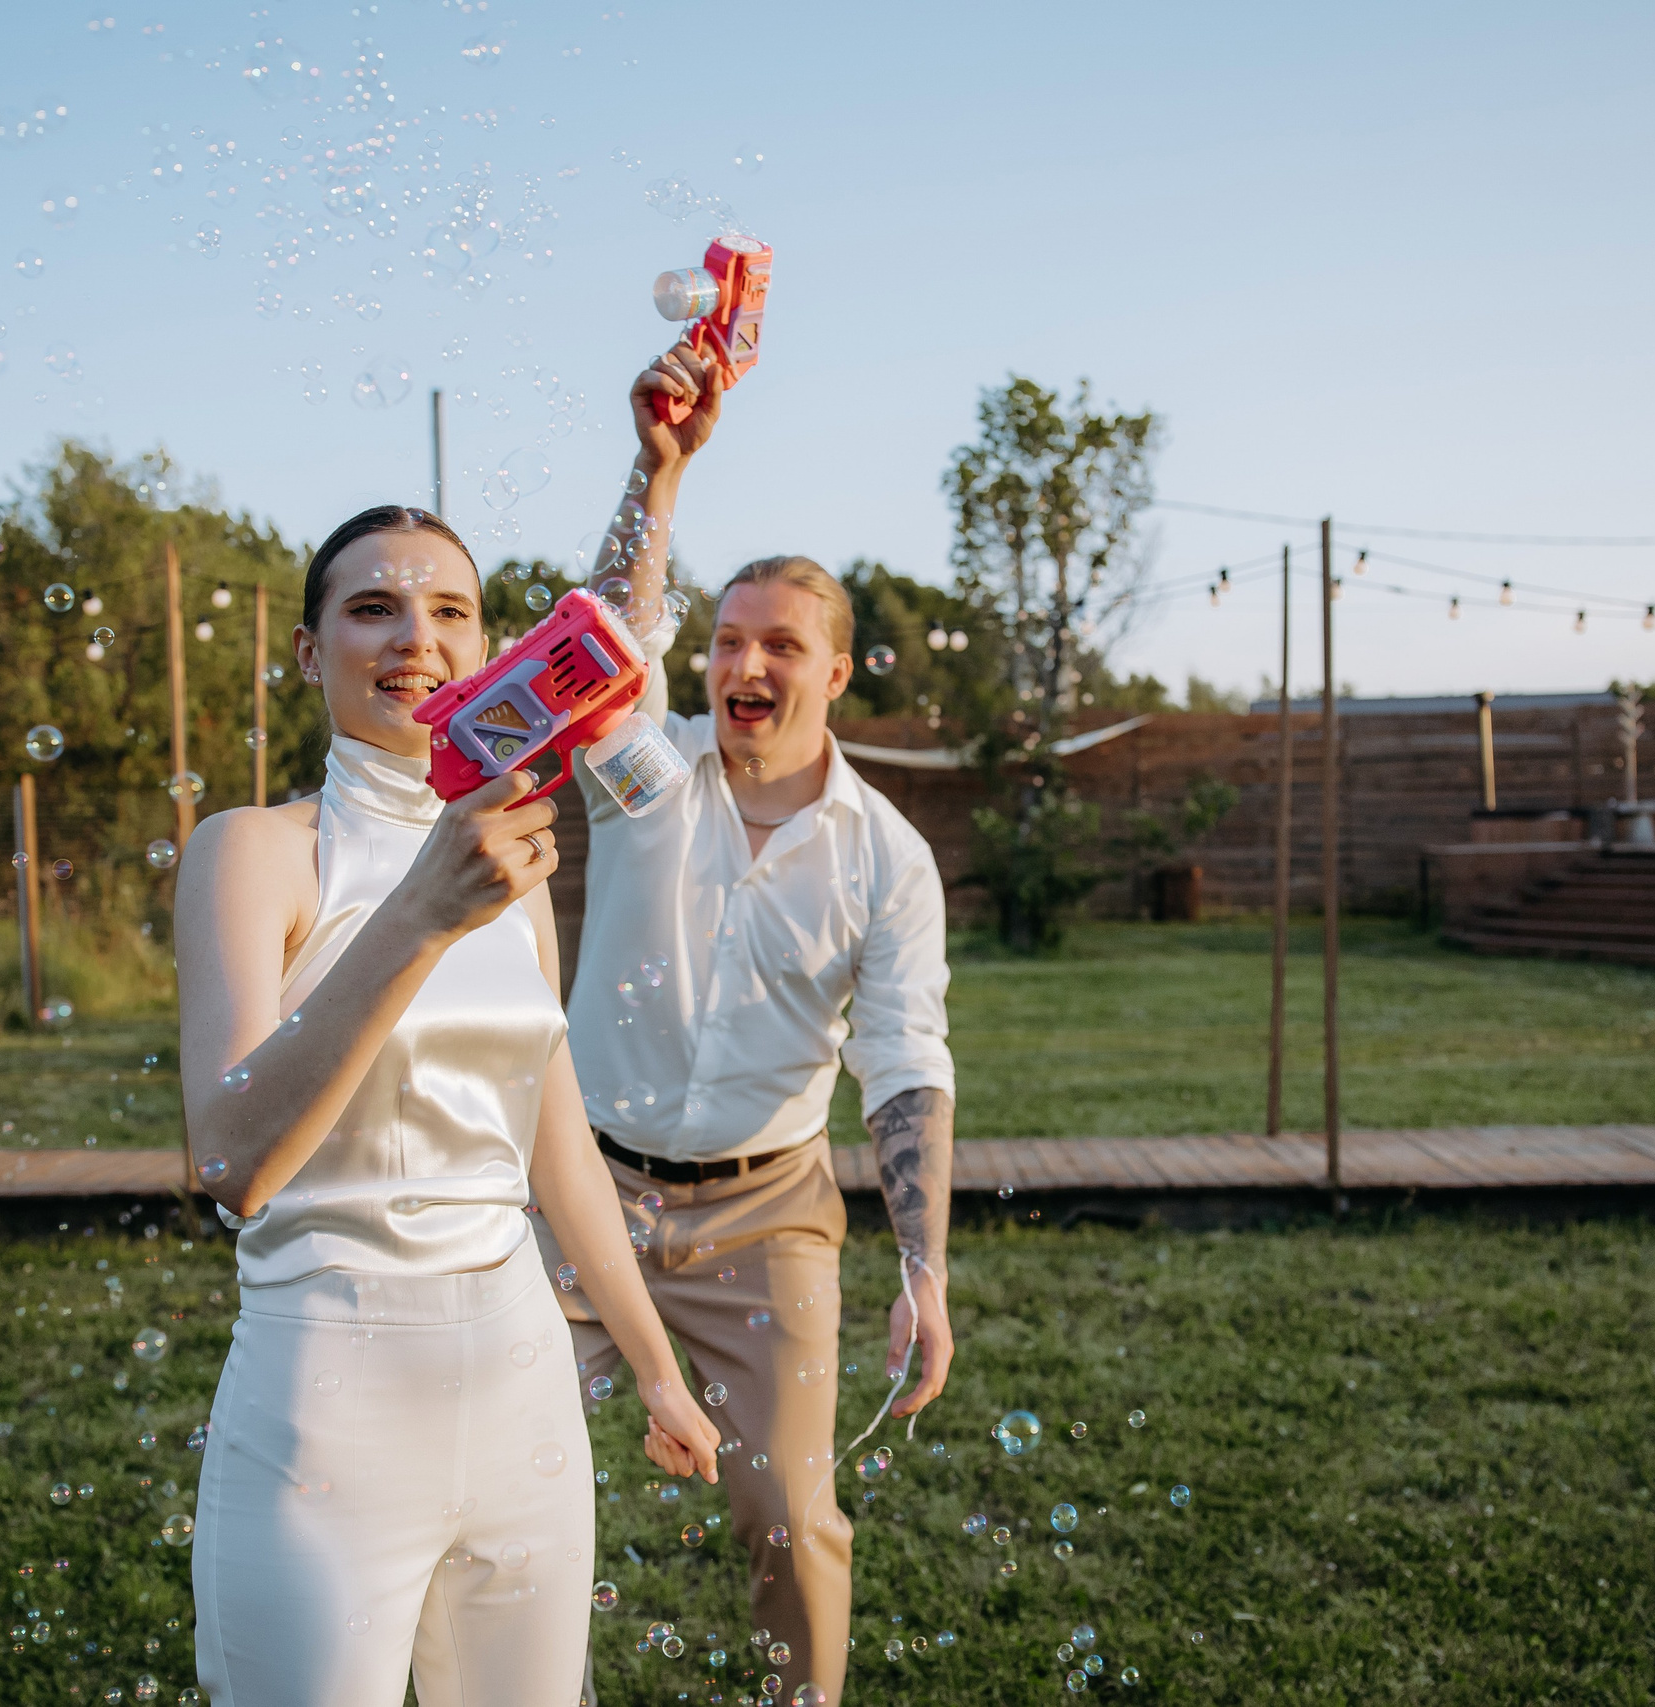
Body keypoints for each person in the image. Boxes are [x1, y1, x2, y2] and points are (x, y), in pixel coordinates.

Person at [174, 505, 721, 1707]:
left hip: (521, 1384)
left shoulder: (510, 864)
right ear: (313, 652)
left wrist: (653, 1364)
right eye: (372, 606)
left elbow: (556, 1144)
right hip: (325, 1407)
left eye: (450, 611)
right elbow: (228, 1162)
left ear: (486, 653)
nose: (414, 635)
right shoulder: (255, 851)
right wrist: (421, 910)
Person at [539, 346, 959, 1707]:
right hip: (579, 1185)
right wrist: (661, 468)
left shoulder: (887, 859)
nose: (745, 662)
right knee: (489, 1460)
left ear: (837, 671)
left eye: (781, 643)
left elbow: (903, 1065)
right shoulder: (646, 773)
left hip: (766, 1210)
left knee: (791, 1516)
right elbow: (606, 635)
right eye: (726, 639)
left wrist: (924, 1268)